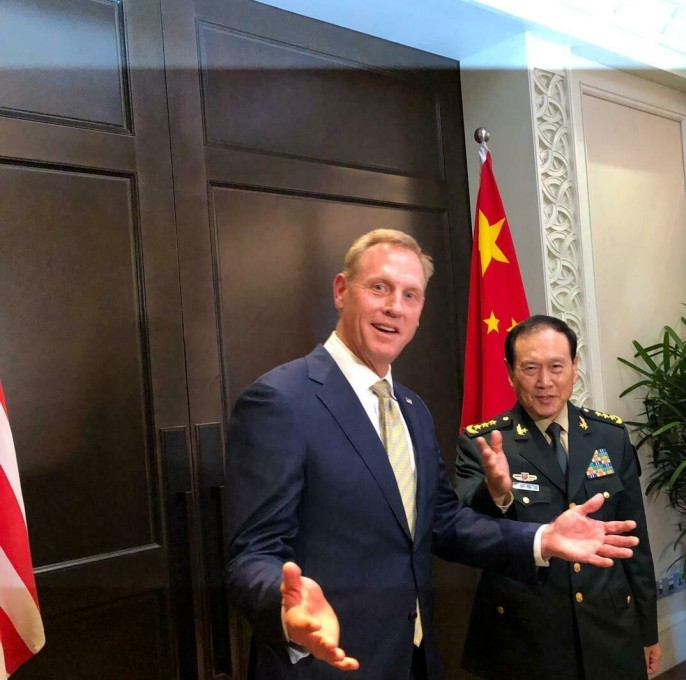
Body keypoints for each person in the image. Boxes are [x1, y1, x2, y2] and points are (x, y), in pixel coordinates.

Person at [224, 230, 640, 680]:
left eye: (411, 295)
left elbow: (444, 521)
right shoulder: (280, 401)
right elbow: (252, 556)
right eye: (379, 287)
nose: (394, 307)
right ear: (342, 291)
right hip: (326, 663)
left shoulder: (412, 409)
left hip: (414, 657)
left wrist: (540, 539)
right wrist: (288, 611)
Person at [455, 315, 661, 679]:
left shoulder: (609, 435)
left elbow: (635, 542)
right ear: (510, 372)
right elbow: (468, 530)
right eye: (531, 368)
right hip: (527, 638)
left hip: (611, 629)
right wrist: (498, 493)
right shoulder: (484, 444)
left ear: (575, 367)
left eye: (556, 367)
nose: (545, 382)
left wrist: (648, 631)